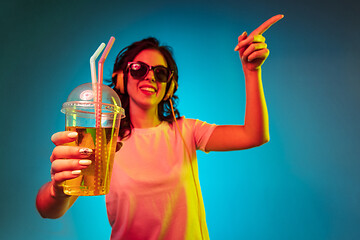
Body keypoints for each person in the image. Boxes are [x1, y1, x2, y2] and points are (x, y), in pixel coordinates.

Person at [36, 14, 283, 240]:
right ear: (122, 79)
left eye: (161, 73)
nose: (150, 77)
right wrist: (59, 190)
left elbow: (254, 135)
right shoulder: (105, 142)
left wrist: (252, 71)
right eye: (138, 69)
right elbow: (48, 211)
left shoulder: (187, 131)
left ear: (170, 87)